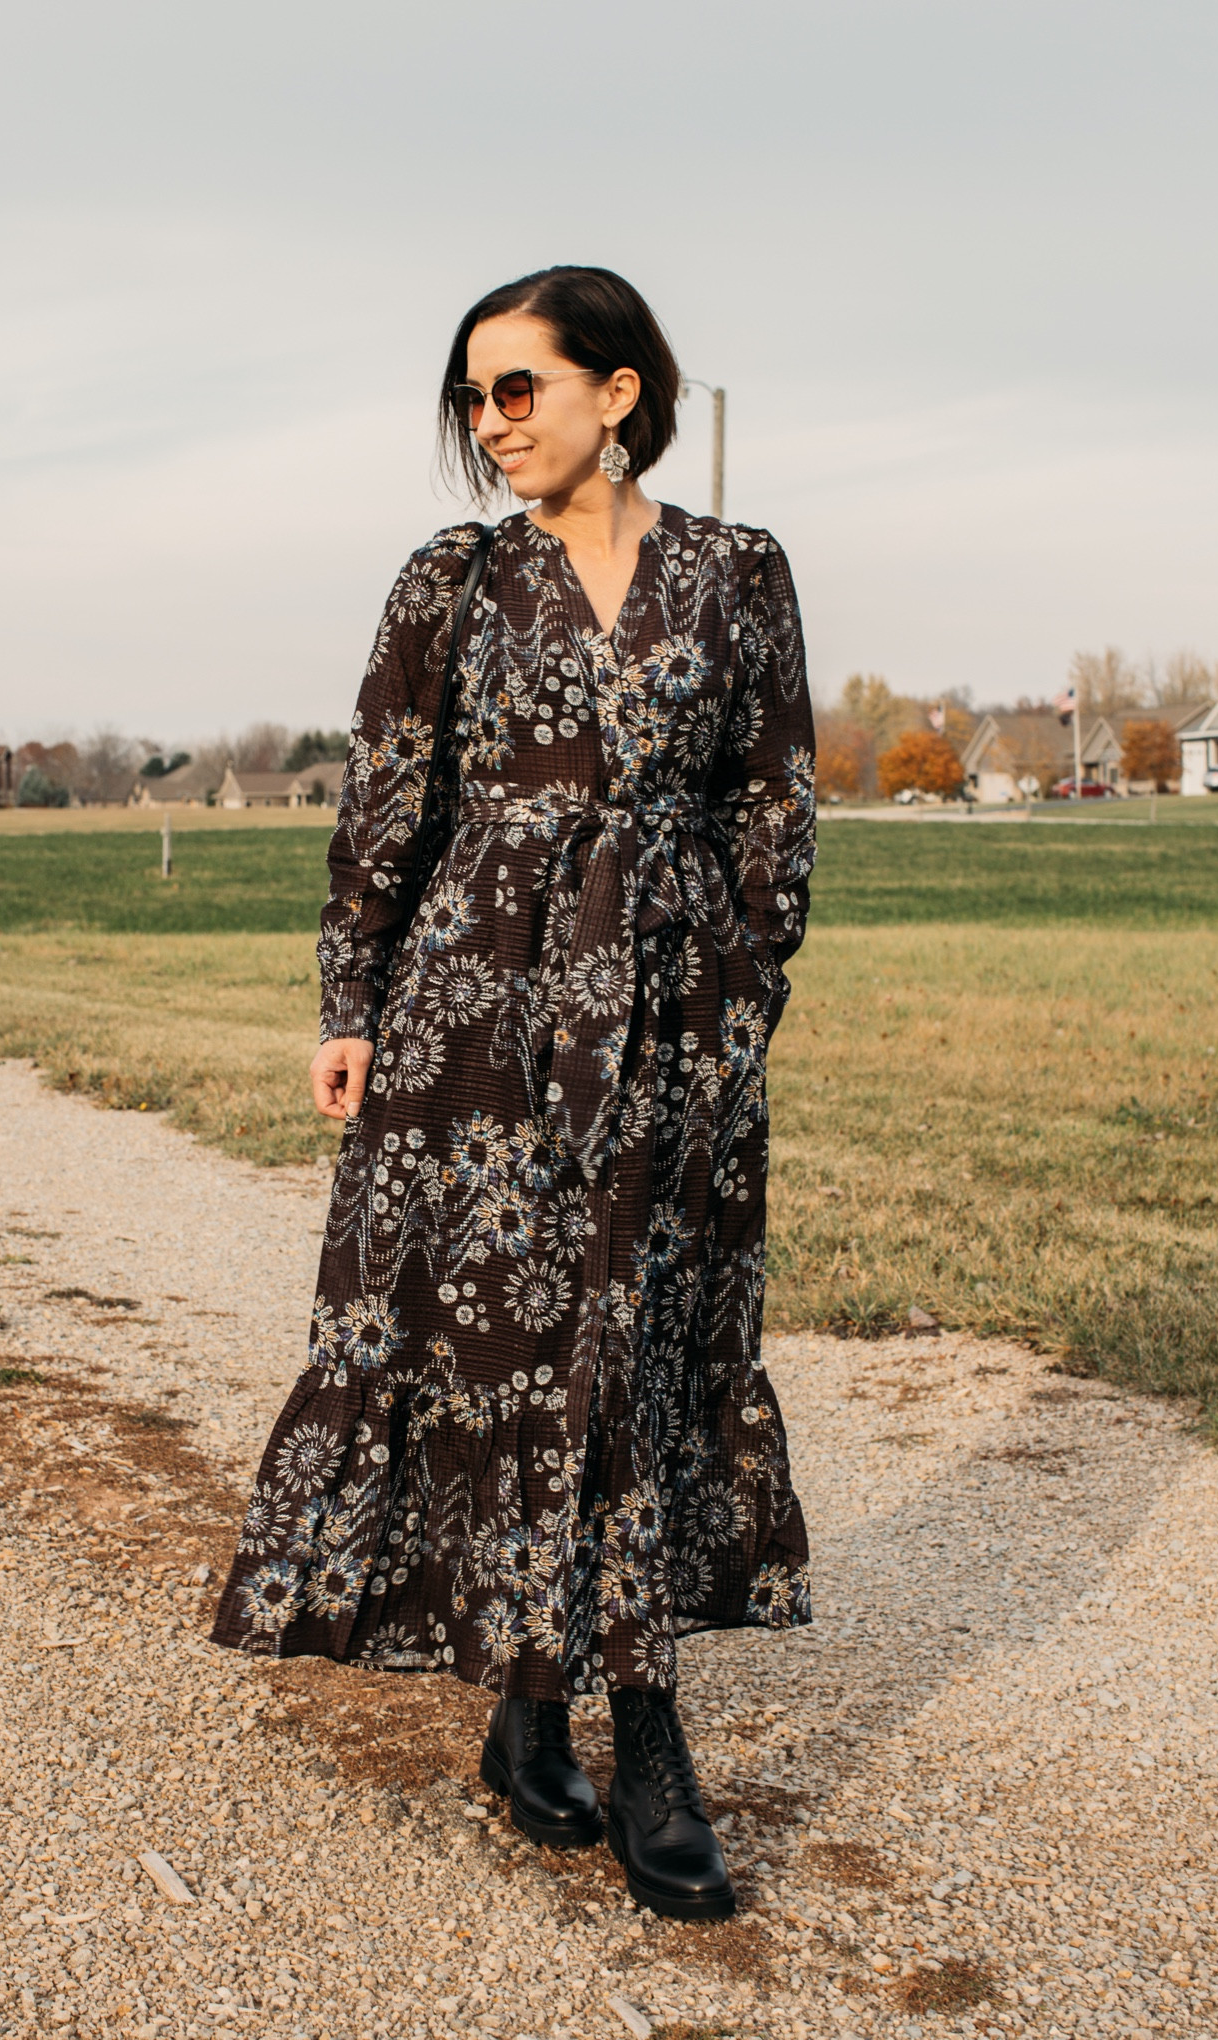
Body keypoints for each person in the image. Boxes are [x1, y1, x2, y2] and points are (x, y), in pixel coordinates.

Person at [212, 265, 816, 1920]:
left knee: (643, 1338)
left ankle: (620, 1717)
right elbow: (386, 798)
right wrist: (352, 1001)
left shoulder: (738, 573)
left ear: (619, 393)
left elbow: (776, 802)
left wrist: (739, 994)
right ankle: (569, 1709)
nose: (492, 425)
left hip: (671, 1016)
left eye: (520, 389)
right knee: (506, 1343)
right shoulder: (452, 580)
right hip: (471, 1017)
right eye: (475, 398)